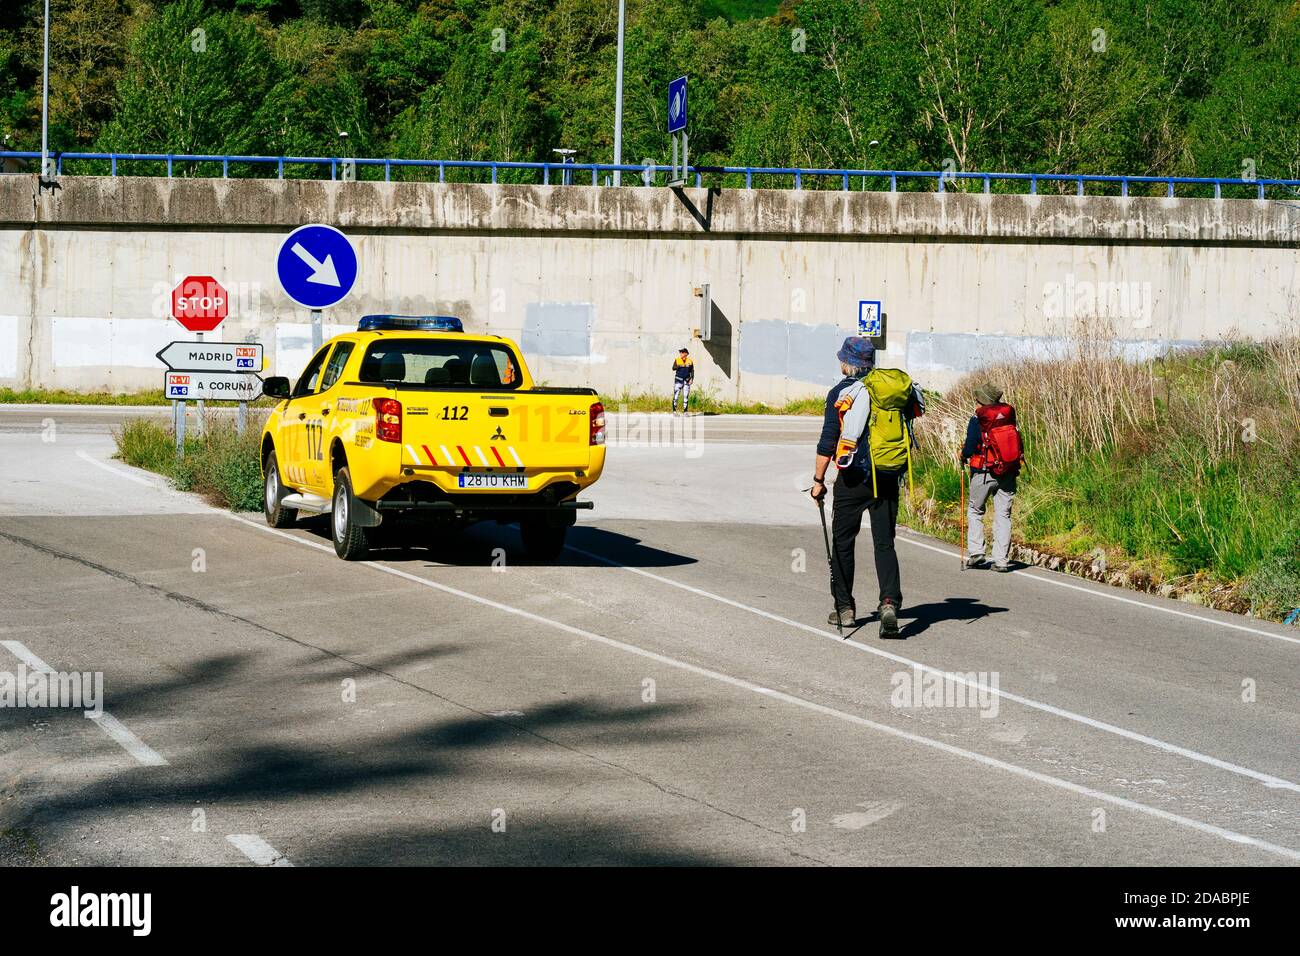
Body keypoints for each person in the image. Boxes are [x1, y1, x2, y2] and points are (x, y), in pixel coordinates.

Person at [811, 336, 925, 636]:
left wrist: (818, 481)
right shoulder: (894, 390)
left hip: (853, 480)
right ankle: (889, 603)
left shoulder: (841, 392)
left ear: (848, 364)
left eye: (842, 359)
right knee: (884, 543)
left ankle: (845, 608)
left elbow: (828, 441)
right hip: (887, 475)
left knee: (843, 543)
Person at [960, 383, 1022, 572]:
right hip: (1007, 470)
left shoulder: (978, 418)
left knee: (975, 510)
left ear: (981, 399)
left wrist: (963, 455)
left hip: (984, 472)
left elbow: (971, 445)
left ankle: (977, 552)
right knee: (1003, 514)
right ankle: (1001, 561)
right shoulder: (1008, 415)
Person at [671, 347, 694, 415]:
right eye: (680, 352)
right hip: (678, 380)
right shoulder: (677, 360)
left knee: (686, 396)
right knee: (676, 396)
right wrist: (680, 366)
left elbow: (692, 371)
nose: (680, 353)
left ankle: (685, 412)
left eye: (682, 352)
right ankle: (674, 411)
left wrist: (692, 378)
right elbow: (673, 368)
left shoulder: (690, 361)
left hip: (687, 380)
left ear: (686, 353)